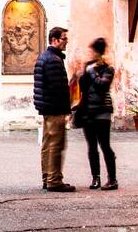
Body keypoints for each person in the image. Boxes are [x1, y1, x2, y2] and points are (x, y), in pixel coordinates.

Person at [33, 25, 75, 192]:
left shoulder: (46, 57)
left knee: (47, 144)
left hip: (47, 107)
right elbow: (58, 88)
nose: (66, 42)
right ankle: (54, 180)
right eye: (64, 39)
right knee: (56, 144)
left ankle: (47, 177)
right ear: (55, 40)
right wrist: (67, 109)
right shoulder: (53, 60)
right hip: (55, 108)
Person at [78, 37, 118, 190]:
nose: (90, 53)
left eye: (93, 51)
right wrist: (82, 74)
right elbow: (83, 88)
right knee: (91, 147)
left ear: (98, 52)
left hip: (102, 110)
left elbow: (102, 85)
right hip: (88, 110)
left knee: (105, 145)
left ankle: (112, 179)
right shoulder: (88, 67)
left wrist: (92, 72)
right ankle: (96, 178)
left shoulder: (108, 68)